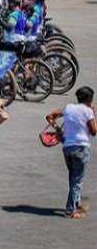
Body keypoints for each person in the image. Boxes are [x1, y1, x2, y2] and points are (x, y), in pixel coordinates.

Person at [46, 86, 97, 218]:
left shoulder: (68, 107)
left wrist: (58, 130)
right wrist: (92, 114)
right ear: (90, 99)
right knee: (77, 180)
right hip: (81, 147)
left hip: (67, 147)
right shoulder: (88, 111)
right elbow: (94, 131)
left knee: (73, 176)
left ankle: (77, 202)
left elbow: (50, 116)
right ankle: (70, 211)